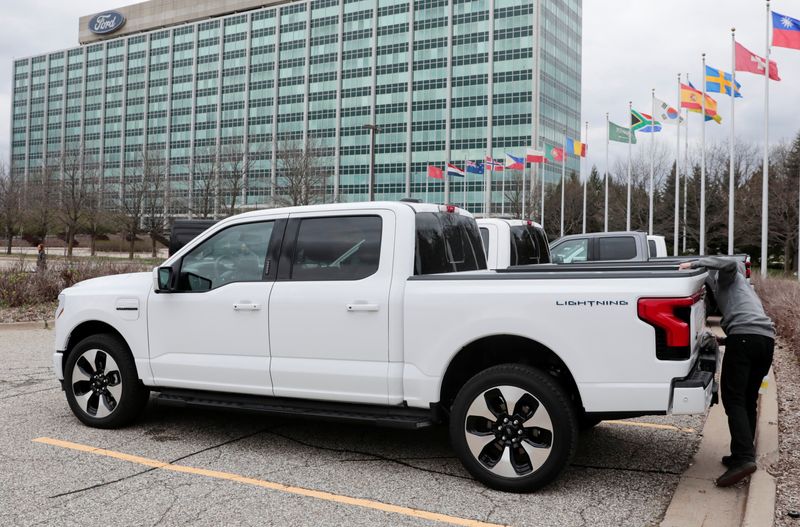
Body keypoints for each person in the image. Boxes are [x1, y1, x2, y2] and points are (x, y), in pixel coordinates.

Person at [679, 257, 774, 487]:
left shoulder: (730, 277)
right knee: (748, 399)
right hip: (764, 341)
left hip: (744, 339)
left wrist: (696, 263)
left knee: (734, 400)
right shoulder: (744, 290)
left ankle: (744, 459)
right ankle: (742, 453)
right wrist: (722, 340)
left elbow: (729, 265)